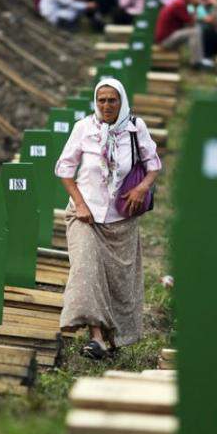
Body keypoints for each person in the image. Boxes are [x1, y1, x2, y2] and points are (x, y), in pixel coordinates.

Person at [55, 78, 162, 360]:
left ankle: (114, 339)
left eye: (112, 100)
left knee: (118, 281)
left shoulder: (135, 129)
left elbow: (153, 165)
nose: (106, 105)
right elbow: (64, 169)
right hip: (84, 215)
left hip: (121, 220)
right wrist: (80, 204)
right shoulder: (84, 128)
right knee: (86, 270)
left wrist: (141, 188)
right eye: (101, 100)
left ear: (122, 101)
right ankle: (96, 337)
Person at [155, 0, 213, 69]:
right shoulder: (179, 4)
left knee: (194, 30)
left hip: (167, 36)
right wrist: (196, 7)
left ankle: (199, 59)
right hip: (165, 41)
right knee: (194, 31)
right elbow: (191, 22)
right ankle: (196, 62)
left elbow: (189, 18)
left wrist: (193, 7)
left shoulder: (180, 2)